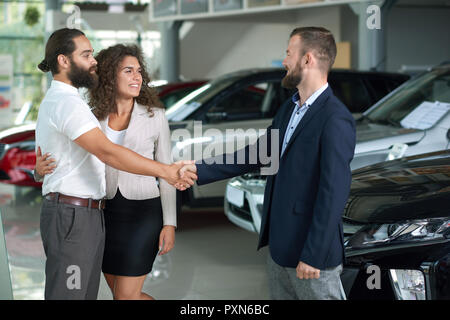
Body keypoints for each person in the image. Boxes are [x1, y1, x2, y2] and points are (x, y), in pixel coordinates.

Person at [185, 27, 356, 300]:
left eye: (289, 53)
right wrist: (198, 169)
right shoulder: (290, 107)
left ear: (307, 59)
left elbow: (333, 193)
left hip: (311, 258)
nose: (285, 61)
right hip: (280, 249)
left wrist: (313, 255)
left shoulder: (335, 118)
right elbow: (258, 153)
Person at [35, 28, 196, 300]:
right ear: (64, 60)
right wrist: (167, 172)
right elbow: (107, 152)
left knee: (105, 295)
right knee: (76, 293)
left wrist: (170, 221)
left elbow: (66, 154)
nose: (93, 61)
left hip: (108, 214)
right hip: (86, 214)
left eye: (138, 71)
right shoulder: (78, 106)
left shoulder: (76, 103)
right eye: (86, 55)